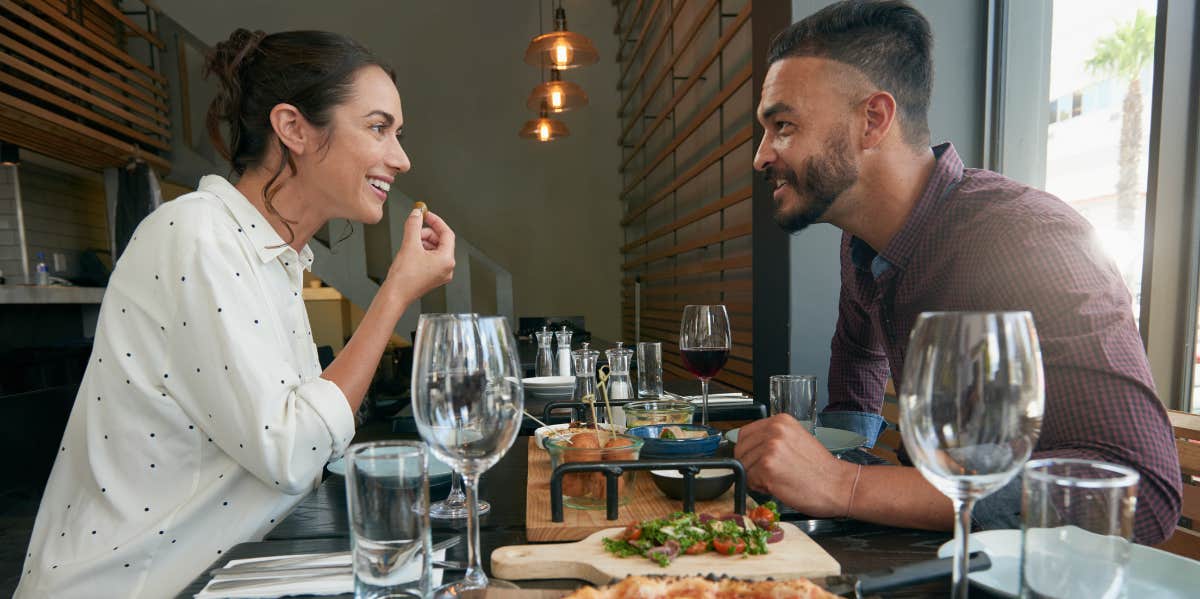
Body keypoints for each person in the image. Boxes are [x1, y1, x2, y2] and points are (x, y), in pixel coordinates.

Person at [15, 29, 456, 598]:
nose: (401, 157)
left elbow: (304, 443)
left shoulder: (272, 256)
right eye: (378, 128)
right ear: (293, 128)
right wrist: (394, 293)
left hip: (224, 573)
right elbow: (293, 453)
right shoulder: (197, 236)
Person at [734, 0, 1181, 544]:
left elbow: (1146, 496)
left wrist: (846, 485)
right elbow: (858, 351)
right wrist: (839, 452)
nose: (761, 156)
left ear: (873, 119)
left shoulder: (1034, 238)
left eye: (783, 126)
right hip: (929, 553)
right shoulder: (862, 241)